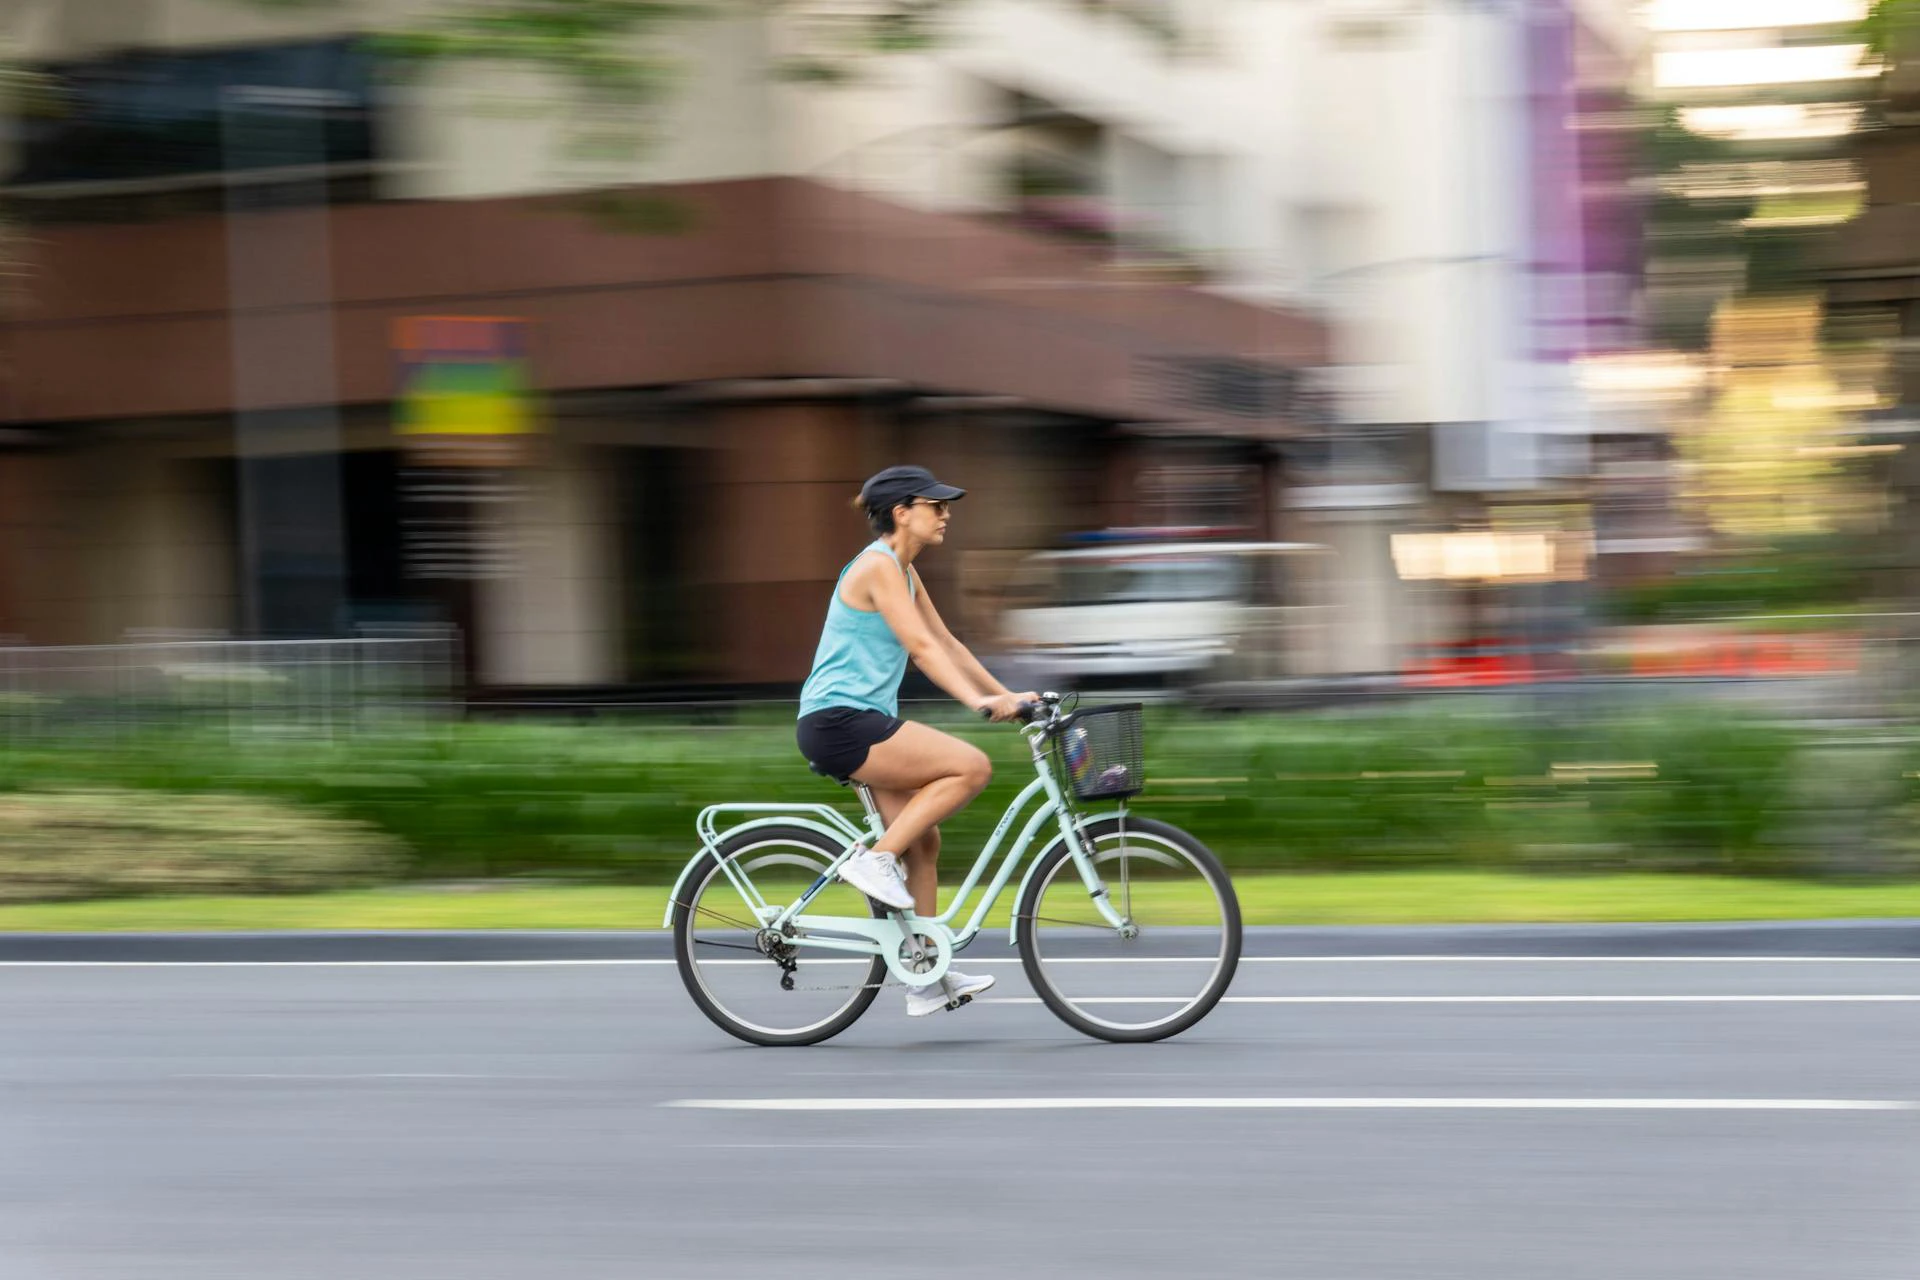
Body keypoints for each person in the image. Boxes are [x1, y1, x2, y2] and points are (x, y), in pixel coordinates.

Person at [795, 465, 1037, 1017]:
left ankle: (925, 973)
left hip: (857, 721)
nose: (946, 513)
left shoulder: (904, 571)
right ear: (902, 512)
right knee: (969, 768)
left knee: (923, 843)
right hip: (840, 721)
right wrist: (978, 704)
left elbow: (945, 641)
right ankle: (874, 861)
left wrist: (1009, 694)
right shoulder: (877, 566)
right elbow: (923, 653)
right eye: (935, 505)